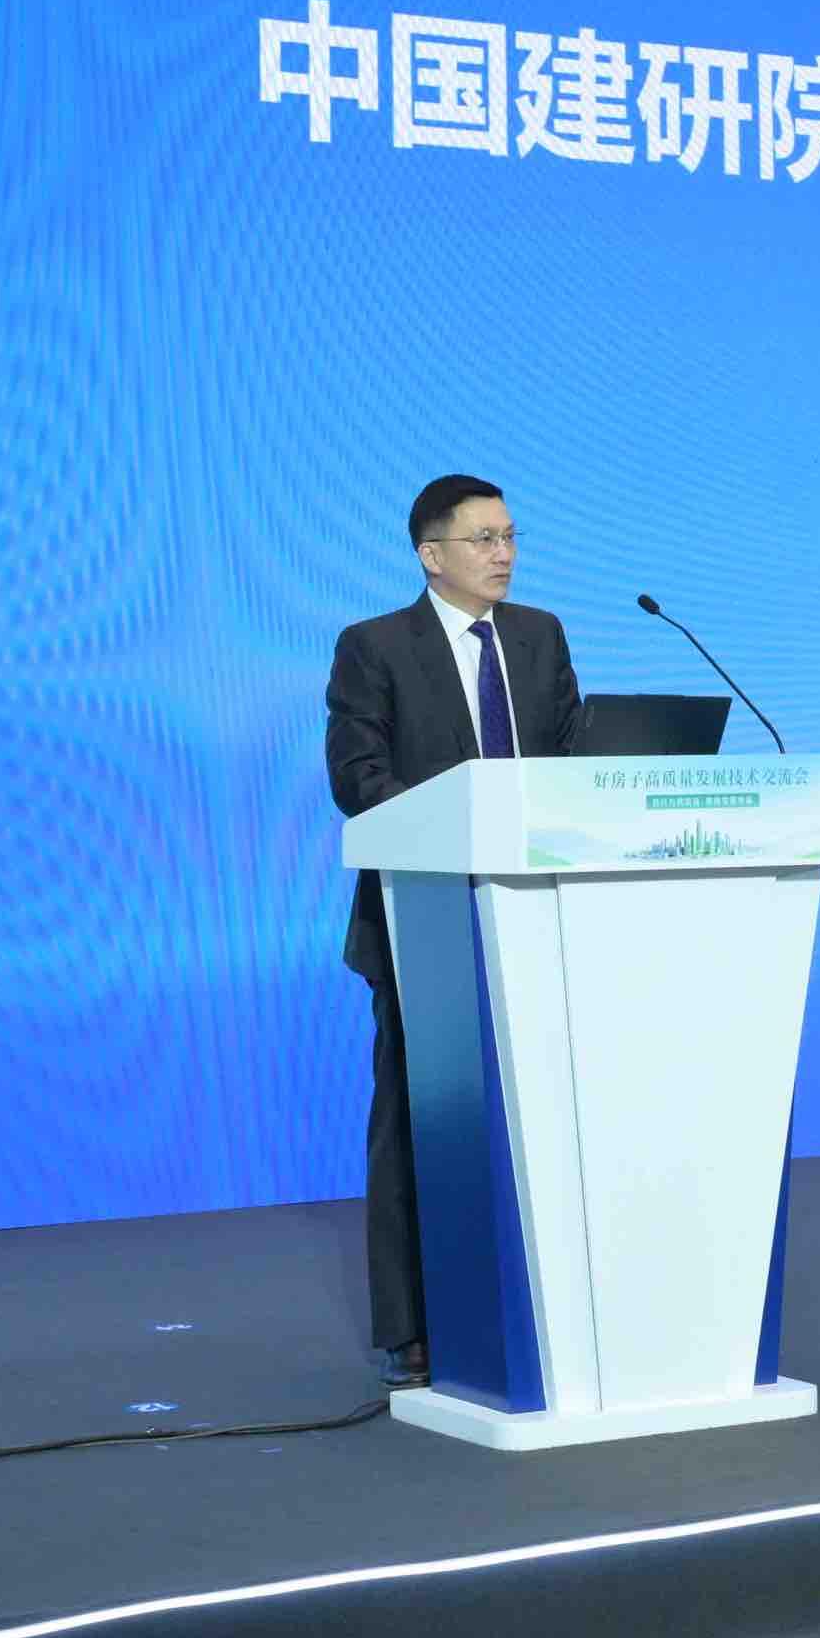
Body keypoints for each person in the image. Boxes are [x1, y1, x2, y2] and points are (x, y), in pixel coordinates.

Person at [324, 473, 578, 1388]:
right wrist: (460, 830)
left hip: (542, 913)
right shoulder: (374, 647)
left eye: (510, 536)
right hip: (423, 916)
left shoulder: (539, 636)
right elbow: (359, 779)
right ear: (431, 554)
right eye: (483, 539)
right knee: (416, 1116)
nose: (504, 554)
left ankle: (551, 1301)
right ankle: (414, 1325)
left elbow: (573, 761)